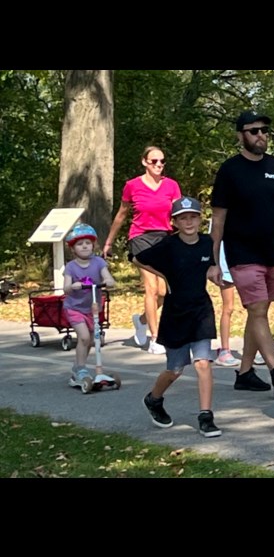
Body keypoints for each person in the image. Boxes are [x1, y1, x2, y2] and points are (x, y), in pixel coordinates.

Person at [208, 110, 274, 396]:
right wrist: (213, 262)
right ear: (240, 136)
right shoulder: (230, 170)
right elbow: (218, 221)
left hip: (271, 252)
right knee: (258, 309)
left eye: (265, 131)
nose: (261, 136)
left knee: (258, 311)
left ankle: (245, 372)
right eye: (254, 131)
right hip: (241, 252)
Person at [134, 196, 222, 437]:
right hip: (175, 313)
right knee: (175, 369)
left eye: (193, 216)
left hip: (201, 310)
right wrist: (164, 274)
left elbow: (212, 264)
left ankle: (206, 416)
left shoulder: (206, 242)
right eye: (183, 218)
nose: (189, 222)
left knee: (203, 363)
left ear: (199, 219)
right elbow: (138, 258)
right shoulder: (168, 245)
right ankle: (154, 399)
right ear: (175, 222)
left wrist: (215, 270)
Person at [103, 145, 181, 355]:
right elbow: (121, 214)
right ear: (145, 162)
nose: (159, 165)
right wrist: (109, 242)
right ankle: (155, 339)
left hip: (164, 237)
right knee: (151, 288)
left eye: (162, 161)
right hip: (140, 237)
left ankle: (142, 320)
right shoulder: (132, 186)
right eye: (154, 161)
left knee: (165, 292)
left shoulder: (171, 186)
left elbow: (178, 214)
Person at [62, 223, 117, 393]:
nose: (84, 246)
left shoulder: (99, 262)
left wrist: (109, 281)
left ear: (93, 245)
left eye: (87, 243)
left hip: (92, 308)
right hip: (74, 308)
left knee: (94, 340)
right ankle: (80, 368)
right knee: (84, 337)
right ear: (73, 249)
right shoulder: (71, 267)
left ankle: (79, 367)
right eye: (79, 244)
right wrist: (73, 286)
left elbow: (108, 278)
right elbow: (66, 288)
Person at [212, 231, 241, 367]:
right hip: (226, 263)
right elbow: (214, 240)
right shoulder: (221, 214)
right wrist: (216, 265)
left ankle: (256, 349)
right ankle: (225, 350)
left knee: (254, 308)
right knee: (228, 307)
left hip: (244, 261)